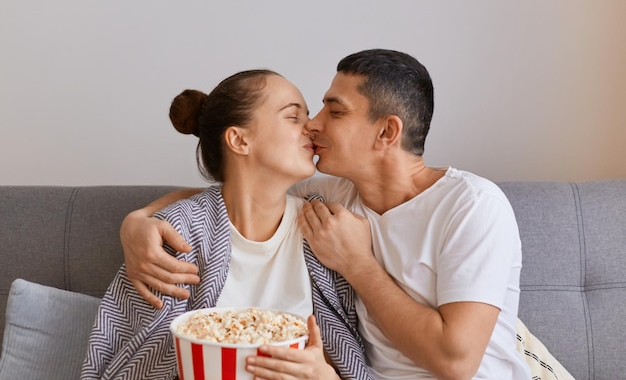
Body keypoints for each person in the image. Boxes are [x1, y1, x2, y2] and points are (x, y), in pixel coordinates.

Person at [121, 50, 532, 380]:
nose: (314, 125)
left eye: (334, 112)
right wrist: (138, 221)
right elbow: (239, 192)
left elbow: (455, 363)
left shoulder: (471, 206)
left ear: (387, 132)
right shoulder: (330, 196)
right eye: (306, 113)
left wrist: (357, 263)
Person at [80, 70, 372, 380]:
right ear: (239, 139)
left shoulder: (326, 228)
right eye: (293, 117)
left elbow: (344, 358)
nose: (312, 127)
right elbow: (140, 357)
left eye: (307, 116)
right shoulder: (178, 232)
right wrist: (138, 220)